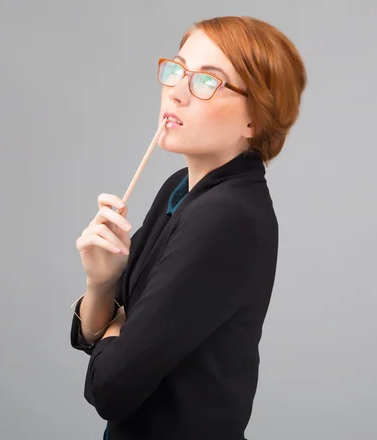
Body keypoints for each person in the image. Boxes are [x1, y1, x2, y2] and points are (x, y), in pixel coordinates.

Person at [70, 15, 306, 440]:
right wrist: (101, 283)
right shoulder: (179, 187)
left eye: (206, 82)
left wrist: (119, 324)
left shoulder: (227, 218)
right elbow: (103, 328)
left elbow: (109, 386)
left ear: (256, 119)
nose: (176, 91)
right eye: (178, 69)